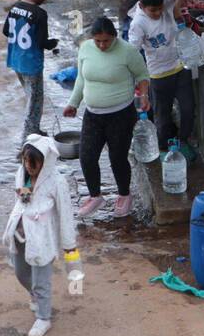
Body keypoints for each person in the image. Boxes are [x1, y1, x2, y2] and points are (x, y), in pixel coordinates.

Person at [63, 17, 150, 217]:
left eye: (106, 41)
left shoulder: (128, 51)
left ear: (114, 37)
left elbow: (142, 75)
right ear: (92, 38)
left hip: (120, 114)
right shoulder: (85, 49)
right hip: (93, 114)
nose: (102, 45)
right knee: (87, 156)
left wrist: (144, 96)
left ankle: (124, 194)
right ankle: (95, 196)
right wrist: (73, 103)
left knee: (117, 157)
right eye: (98, 41)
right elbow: (81, 78)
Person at [2, 134, 77, 336]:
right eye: (26, 161)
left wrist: (69, 244)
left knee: (41, 280)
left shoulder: (56, 182)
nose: (29, 167)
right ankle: (35, 296)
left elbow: (65, 213)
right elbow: (20, 199)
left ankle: (44, 317)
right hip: (20, 231)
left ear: (45, 162)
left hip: (42, 237)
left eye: (33, 164)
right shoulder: (21, 174)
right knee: (21, 273)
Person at [127, 0, 204, 162]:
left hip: (180, 67)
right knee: (163, 115)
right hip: (159, 75)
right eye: (153, 10)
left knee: (188, 108)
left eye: (160, 9)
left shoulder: (167, 0)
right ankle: (163, 148)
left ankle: (183, 141)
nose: (158, 13)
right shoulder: (138, 24)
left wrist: (175, 7)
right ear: (141, 6)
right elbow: (132, 52)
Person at [4, 0, 60, 138]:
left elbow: (6, 31)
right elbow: (42, 42)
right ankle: (27, 139)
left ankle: (34, 130)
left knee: (30, 95)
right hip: (31, 63)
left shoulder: (15, 7)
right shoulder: (40, 14)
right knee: (35, 101)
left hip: (16, 59)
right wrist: (53, 43)